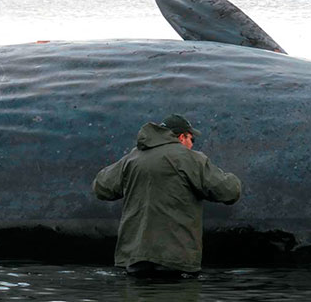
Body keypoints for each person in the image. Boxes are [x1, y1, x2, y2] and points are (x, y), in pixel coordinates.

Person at [92, 114, 241, 277]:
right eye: (192, 139)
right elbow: (228, 192)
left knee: (141, 300)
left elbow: (101, 187)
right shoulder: (190, 158)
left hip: (134, 259)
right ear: (182, 137)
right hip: (176, 260)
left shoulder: (132, 159)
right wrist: (234, 179)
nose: (191, 145)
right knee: (176, 300)